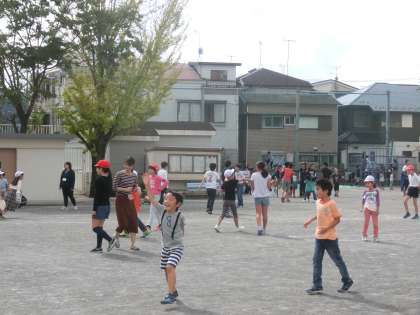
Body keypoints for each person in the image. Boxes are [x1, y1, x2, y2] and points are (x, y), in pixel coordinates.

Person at [304, 179, 353, 295]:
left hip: (330, 238)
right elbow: (318, 214)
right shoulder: (318, 202)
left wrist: (326, 228)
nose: (316, 191)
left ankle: (347, 280)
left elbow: (337, 219)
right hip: (319, 237)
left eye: (318, 189)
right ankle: (317, 285)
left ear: (326, 191)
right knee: (316, 261)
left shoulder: (332, 204)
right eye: (316, 189)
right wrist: (309, 221)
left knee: (338, 261)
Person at [142, 173, 185, 305]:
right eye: (165, 199)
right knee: (166, 270)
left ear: (178, 204)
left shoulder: (180, 216)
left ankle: (170, 294)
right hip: (165, 247)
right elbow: (153, 200)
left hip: (177, 247)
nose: (166, 201)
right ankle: (173, 290)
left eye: (170, 199)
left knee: (170, 267)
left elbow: (183, 230)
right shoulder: (162, 210)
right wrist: (147, 185)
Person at [109, 157, 140, 251]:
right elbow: (114, 187)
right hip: (121, 199)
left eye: (130, 165)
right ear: (124, 164)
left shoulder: (134, 175)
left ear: (132, 166)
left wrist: (136, 189)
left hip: (130, 200)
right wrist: (125, 189)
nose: (128, 167)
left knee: (133, 221)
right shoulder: (119, 174)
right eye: (126, 164)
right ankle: (115, 237)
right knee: (123, 222)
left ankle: (133, 244)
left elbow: (135, 186)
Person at [90, 160, 114, 253]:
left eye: (97, 167)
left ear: (101, 169)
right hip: (106, 206)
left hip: (100, 206)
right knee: (100, 227)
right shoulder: (109, 179)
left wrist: (94, 209)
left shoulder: (99, 180)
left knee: (95, 228)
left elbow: (97, 196)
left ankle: (110, 240)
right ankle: (99, 247)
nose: (96, 169)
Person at [250, 161, 272, 235]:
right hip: (266, 196)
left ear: (257, 167)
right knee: (265, 214)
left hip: (257, 196)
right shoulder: (268, 175)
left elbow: (252, 186)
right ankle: (264, 229)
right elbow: (269, 187)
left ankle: (259, 228)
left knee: (258, 213)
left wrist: (253, 192)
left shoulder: (254, 175)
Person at [146, 163, 169, 232]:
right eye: (149, 169)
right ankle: (161, 224)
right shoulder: (149, 177)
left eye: (151, 169)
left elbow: (166, 182)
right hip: (151, 195)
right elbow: (149, 187)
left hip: (156, 196)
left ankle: (148, 226)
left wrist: (160, 188)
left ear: (155, 170)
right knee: (156, 212)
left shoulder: (158, 177)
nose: (149, 170)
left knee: (152, 211)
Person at [361, 175, 380, 242]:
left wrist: (377, 209)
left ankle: (375, 236)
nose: (367, 184)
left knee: (375, 224)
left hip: (374, 209)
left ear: (372, 183)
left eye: (368, 183)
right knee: (366, 223)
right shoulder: (365, 191)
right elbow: (363, 200)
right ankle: (364, 235)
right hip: (367, 209)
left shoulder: (376, 191)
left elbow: (378, 201)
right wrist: (362, 207)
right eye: (366, 183)